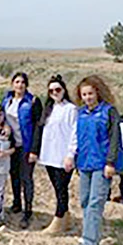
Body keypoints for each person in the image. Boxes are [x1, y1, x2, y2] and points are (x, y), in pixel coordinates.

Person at [65, 75, 123, 245]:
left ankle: (90, 244)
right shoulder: (81, 113)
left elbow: (115, 139)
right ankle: (90, 235)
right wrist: (74, 158)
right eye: (84, 94)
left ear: (98, 93)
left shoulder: (109, 112)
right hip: (85, 164)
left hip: (102, 164)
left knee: (95, 203)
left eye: (90, 93)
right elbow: (78, 138)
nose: (87, 97)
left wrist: (110, 162)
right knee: (85, 201)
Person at [31, 75, 77, 234]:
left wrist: (71, 154)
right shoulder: (48, 109)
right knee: (57, 189)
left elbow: (75, 133)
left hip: (63, 156)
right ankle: (66, 217)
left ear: (64, 90)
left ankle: (58, 218)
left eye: (57, 89)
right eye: (51, 91)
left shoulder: (71, 109)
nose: (55, 93)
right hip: (49, 155)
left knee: (61, 188)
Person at [2, 72, 43, 229]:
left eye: (22, 82)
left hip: (27, 146)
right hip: (12, 146)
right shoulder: (7, 100)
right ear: (12, 84)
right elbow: (3, 118)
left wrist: (34, 150)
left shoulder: (32, 101)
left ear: (26, 85)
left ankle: (28, 210)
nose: (19, 85)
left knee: (26, 178)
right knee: (14, 176)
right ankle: (17, 203)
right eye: (17, 82)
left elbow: (38, 126)